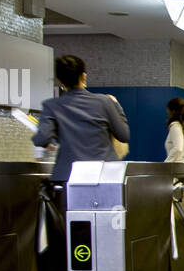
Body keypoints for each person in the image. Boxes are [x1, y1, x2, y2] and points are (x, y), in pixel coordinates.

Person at [32, 54, 130, 183]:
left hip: (69, 176)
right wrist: (117, 107)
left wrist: (56, 134)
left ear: (59, 80)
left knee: (70, 204)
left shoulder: (52, 106)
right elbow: (123, 135)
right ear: (83, 76)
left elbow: (41, 139)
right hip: (104, 175)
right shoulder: (104, 102)